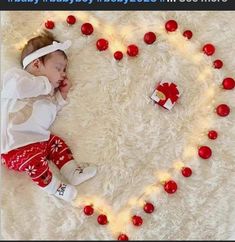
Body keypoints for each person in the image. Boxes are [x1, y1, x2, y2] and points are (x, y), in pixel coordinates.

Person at [1, 31, 97, 202]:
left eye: (64, 70)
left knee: (57, 144)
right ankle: (54, 187)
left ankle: (72, 171)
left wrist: (61, 96)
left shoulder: (47, 94)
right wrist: (46, 84)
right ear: (36, 65)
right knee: (34, 161)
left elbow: (50, 112)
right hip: (14, 147)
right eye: (58, 68)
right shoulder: (18, 78)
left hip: (39, 140)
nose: (63, 74)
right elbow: (16, 88)